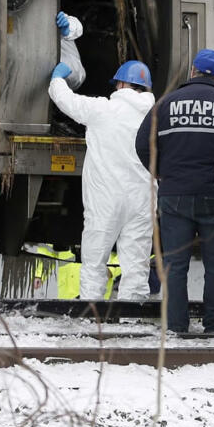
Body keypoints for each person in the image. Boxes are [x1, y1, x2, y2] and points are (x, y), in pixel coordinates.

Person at [48, 33, 155, 301]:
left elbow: (66, 101)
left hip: (105, 200)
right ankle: (132, 316)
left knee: (95, 260)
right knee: (136, 263)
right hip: (143, 199)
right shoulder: (156, 117)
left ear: (120, 84)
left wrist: (57, 79)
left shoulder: (103, 110)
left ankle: (92, 312)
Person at [135, 48, 214, 333]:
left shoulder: (166, 103)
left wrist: (161, 173)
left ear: (192, 72)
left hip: (174, 194)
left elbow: (142, 144)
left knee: (175, 264)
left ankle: (176, 325)